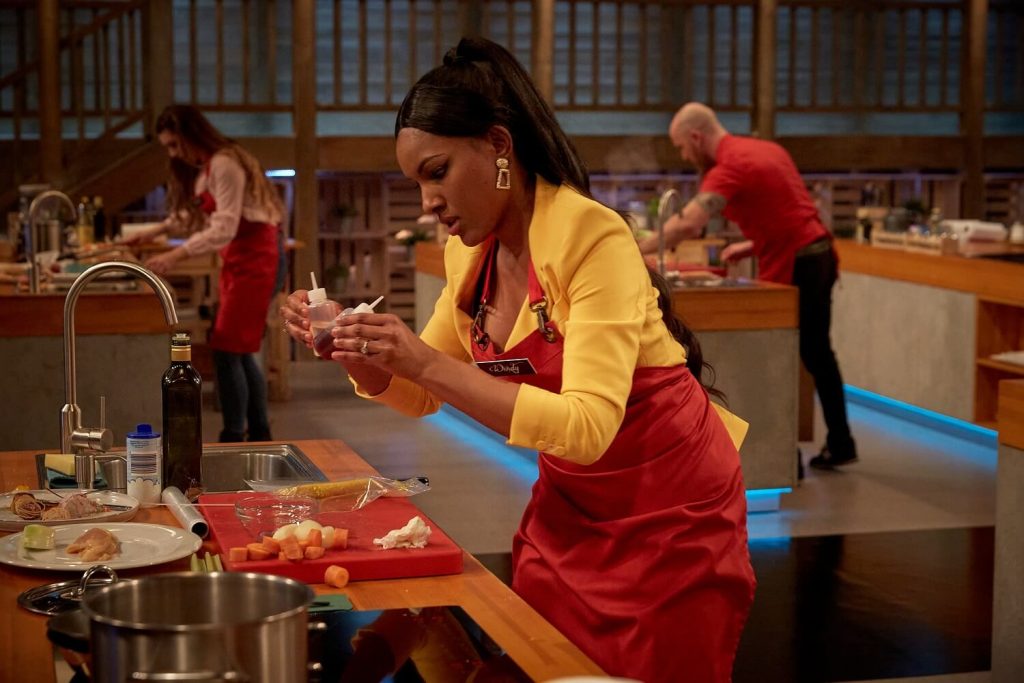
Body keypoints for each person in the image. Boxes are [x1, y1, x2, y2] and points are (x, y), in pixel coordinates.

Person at [282, 38, 755, 682]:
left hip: (671, 512)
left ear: (499, 147)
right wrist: (353, 347)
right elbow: (417, 393)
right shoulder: (469, 253)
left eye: (437, 172)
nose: (427, 201)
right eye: (417, 182)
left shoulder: (592, 236)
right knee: (543, 661)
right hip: (571, 505)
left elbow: (586, 428)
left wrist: (420, 361)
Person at [639, 102, 857, 469]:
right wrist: (751, 244)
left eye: (682, 147)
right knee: (818, 355)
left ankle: (785, 457)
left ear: (696, 137)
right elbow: (788, 212)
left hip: (797, 262)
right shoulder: (766, 149)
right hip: (817, 254)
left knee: (779, 358)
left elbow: (688, 224)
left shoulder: (730, 167)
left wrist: (633, 247)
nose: (684, 156)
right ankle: (838, 442)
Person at [127, 104, 283, 442]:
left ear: (190, 135)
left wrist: (176, 254)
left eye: (174, 144)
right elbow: (195, 214)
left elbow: (224, 227)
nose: (173, 153)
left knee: (227, 348)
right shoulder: (209, 167)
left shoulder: (225, 163)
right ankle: (259, 431)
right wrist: (154, 232)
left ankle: (233, 435)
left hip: (256, 259)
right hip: (240, 260)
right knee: (239, 350)